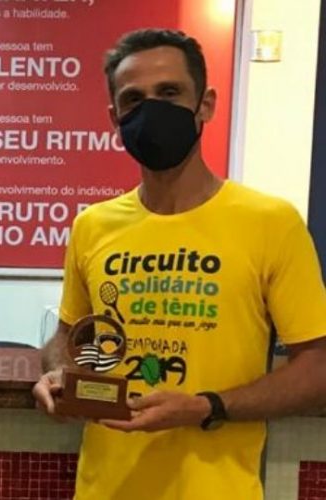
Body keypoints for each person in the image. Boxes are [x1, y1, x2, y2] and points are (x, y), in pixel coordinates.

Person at [33, 28, 326, 500]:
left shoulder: (272, 223)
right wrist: (58, 375)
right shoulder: (93, 226)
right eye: (134, 99)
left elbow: (317, 368)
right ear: (114, 117)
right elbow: (67, 337)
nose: (151, 110)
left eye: (169, 92)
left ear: (205, 104)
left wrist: (206, 406)